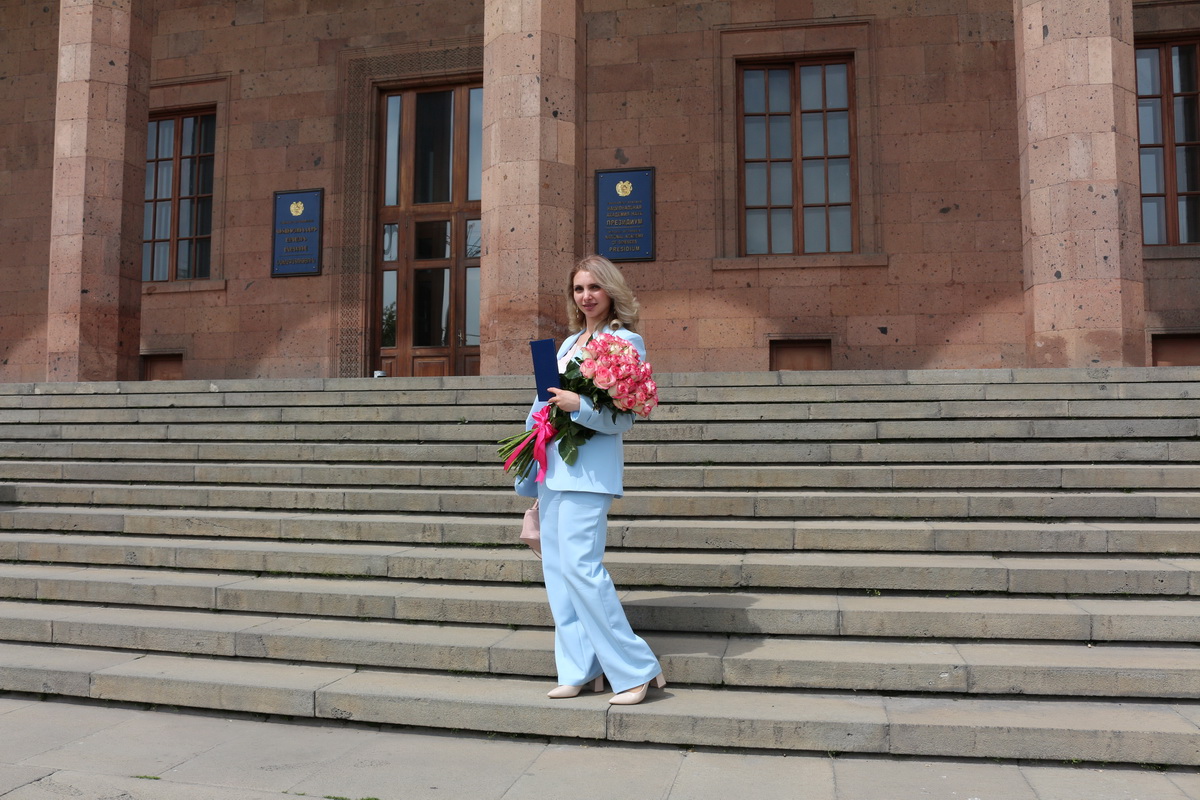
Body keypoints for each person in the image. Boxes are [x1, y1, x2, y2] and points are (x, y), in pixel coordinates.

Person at [514, 254, 666, 706]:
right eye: (579, 289)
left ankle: (636, 669)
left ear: (611, 291)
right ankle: (579, 668)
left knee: (582, 570)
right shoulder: (567, 344)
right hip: (553, 469)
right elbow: (542, 405)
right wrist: (529, 455)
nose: (586, 296)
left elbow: (624, 419)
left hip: (589, 473)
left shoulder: (625, 341)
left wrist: (578, 405)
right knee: (559, 573)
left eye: (594, 287)